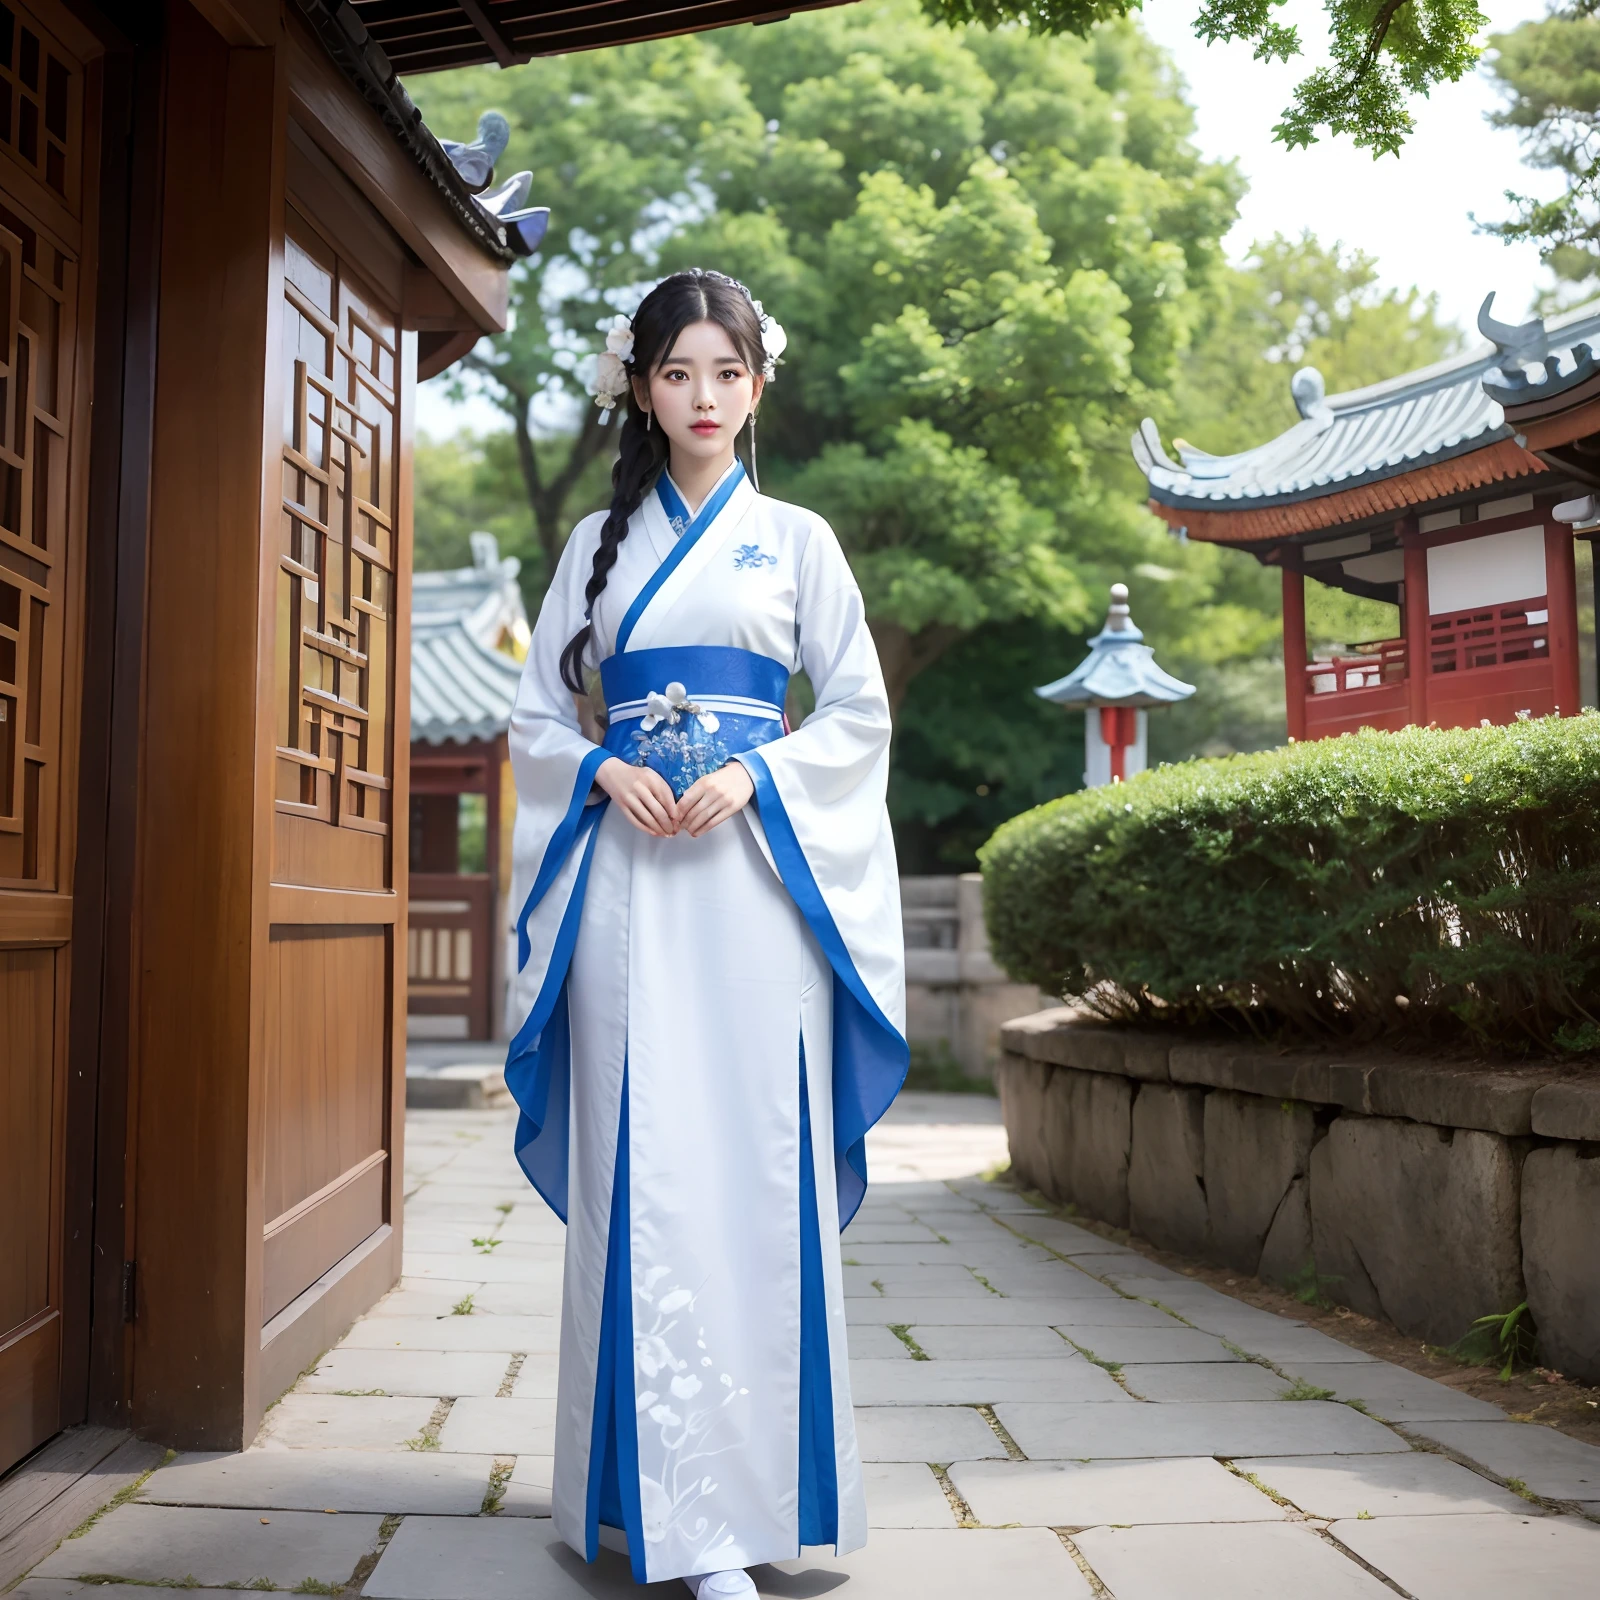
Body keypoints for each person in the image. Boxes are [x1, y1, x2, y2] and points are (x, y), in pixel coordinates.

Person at [504, 270, 908, 1597]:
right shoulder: (594, 552)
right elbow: (531, 718)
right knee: (644, 1171)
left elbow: (857, 714)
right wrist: (601, 769)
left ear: (756, 382)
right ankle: (650, 1512)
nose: (703, 398)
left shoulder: (797, 543)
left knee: (753, 1176)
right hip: (629, 880)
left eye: (725, 373)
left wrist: (758, 774)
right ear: (639, 385)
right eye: (677, 373)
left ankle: (757, 1510)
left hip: (750, 885)